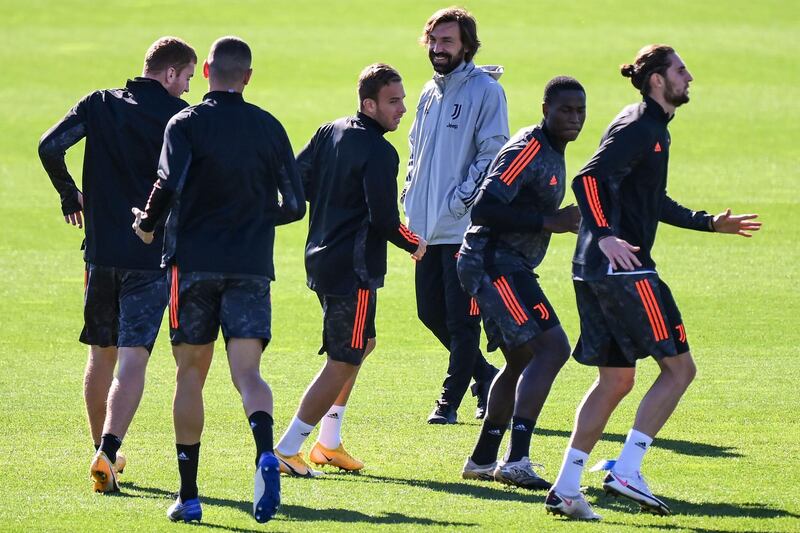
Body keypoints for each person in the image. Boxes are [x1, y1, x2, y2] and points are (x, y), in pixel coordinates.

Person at [544, 45, 761, 520]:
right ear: (658, 81)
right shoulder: (640, 128)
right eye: (682, 70)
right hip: (626, 271)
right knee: (680, 371)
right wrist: (605, 235)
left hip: (592, 270)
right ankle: (628, 469)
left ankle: (565, 486)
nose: (691, 76)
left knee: (616, 379)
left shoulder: (649, 127)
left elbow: (650, 198)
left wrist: (708, 223)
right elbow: (589, 180)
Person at [133, 36, 305, 523]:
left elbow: (167, 183)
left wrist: (146, 225)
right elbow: (294, 205)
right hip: (250, 265)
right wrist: (249, 219)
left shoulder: (185, 122)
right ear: (247, 76)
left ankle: (189, 498)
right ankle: (266, 452)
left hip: (192, 264)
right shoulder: (269, 126)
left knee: (190, 375)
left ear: (206, 70)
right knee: (248, 374)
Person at [38, 36, 196, 493]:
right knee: (133, 359)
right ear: (169, 73)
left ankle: (99, 450)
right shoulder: (178, 118)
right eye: (185, 78)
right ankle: (108, 451)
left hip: (100, 253)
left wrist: (70, 194)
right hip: (150, 256)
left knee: (99, 354)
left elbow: (50, 146)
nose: (186, 87)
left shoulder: (100, 103)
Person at [274, 63, 426, 477]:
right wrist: (416, 244)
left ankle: (329, 441)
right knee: (343, 359)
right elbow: (383, 219)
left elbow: (298, 182)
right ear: (369, 103)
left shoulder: (329, 131)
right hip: (353, 270)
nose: (402, 109)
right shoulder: (380, 152)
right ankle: (288, 448)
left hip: (322, 260)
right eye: (393, 102)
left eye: (403, 100)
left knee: (364, 343)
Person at [458, 77, 586, 490]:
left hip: (507, 266)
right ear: (545, 107)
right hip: (494, 264)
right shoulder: (528, 148)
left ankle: (482, 460)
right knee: (552, 349)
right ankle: (516, 460)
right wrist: (553, 222)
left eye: (580, 110)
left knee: (521, 358)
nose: (574, 118)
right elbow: (483, 208)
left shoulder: (552, 150)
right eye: (565, 109)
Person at [403, 6, 508, 424]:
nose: (438, 48)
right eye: (434, 40)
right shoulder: (429, 92)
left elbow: (493, 151)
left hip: (463, 228)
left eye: (447, 41)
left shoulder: (486, 91)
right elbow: (415, 150)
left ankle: (448, 403)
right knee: (429, 312)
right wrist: (409, 192)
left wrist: (461, 202)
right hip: (425, 227)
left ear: (467, 45)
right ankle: (488, 378)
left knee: (462, 323)